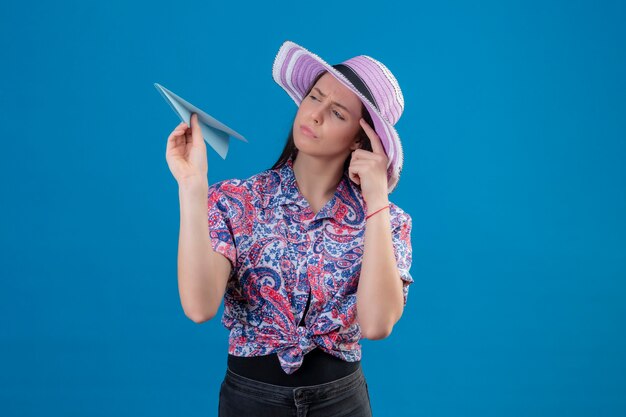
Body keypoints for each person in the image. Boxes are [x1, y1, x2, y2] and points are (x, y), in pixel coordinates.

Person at [165, 40, 414, 417]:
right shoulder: (237, 201)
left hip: (341, 403)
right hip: (250, 402)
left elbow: (378, 324)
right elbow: (199, 307)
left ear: (361, 140)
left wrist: (376, 197)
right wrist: (192, 184)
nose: (314, 115)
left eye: (337, 113)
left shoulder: (389, 220)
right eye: (314, 98)